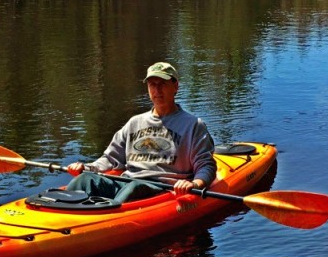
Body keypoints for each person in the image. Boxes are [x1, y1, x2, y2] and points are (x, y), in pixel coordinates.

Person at [66, 61, 216, 204]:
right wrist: (87, 167)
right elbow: (111, 159)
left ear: (175, 86)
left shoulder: (193, 125)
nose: (157, 90)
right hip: (127, 182)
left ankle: (109, 220)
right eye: (152, 84)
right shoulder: (134, 122)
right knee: (85, 180)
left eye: (162, 84)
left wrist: (195, 184)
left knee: (135, 188)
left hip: (161, 188)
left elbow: (206, 166)